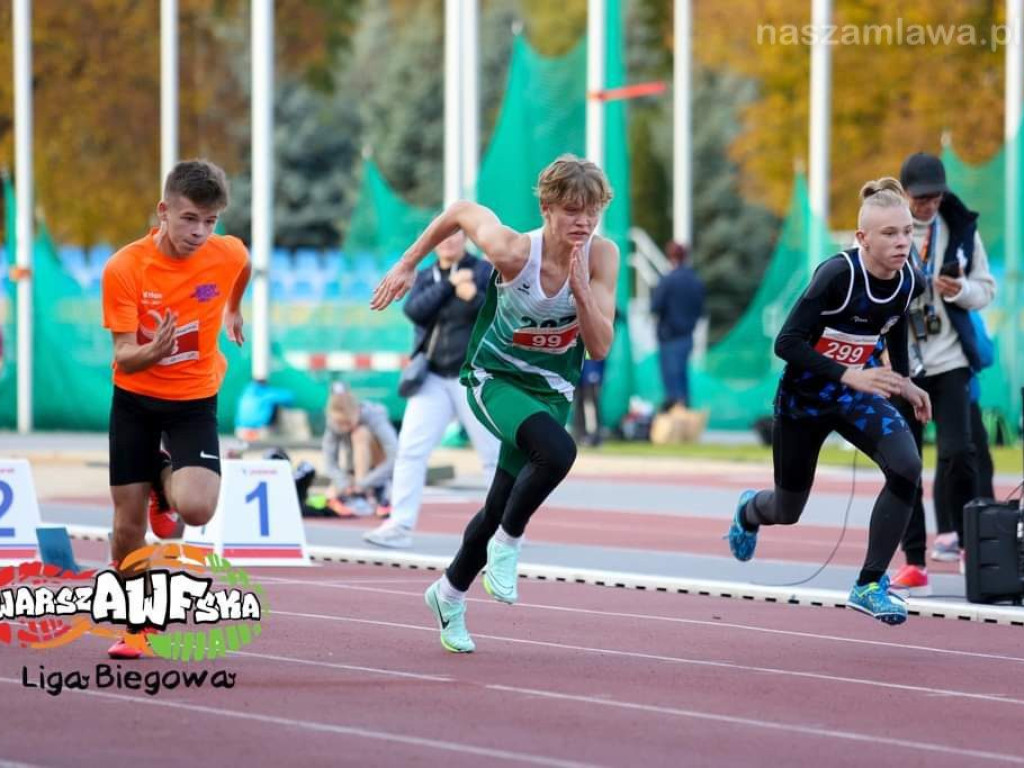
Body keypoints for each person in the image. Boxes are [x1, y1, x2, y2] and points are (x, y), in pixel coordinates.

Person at [371, 154, 619, 652]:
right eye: (573, 210)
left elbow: (600, 347)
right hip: (494, 377)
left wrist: (582, 294)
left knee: (497, 504)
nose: (584, 222)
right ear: (547, 209)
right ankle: (508, 545)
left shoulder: (601, 256)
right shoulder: (512, 251)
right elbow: (461, 210)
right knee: (558, 454)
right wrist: (406, 264)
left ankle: (448, 593)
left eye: (592, 211)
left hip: (552, 389)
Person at [726, 177, 931, 626]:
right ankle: (748, 509)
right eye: (890, 234)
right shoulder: (837, 275)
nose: (902, 243)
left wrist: (905, 381)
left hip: (856, 396)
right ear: (863, 238)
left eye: (907, 232)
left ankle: (869, 584)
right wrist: (848, 373)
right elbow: (787, 343)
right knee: (788, 509)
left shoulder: (909, 280)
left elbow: (893, 324)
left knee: (908, 466)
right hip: (804, 401)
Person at [101, 159, 251, 659]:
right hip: (136, 401)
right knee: (127, 526)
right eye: (189, 219)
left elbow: (242, 265)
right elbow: (123, 356)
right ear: (164, 211)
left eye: (210, 222)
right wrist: (153, 352)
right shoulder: (125, 267)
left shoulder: (225, 253)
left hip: (193, 401)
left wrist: (233, 307)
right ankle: (135, 626)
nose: (200, 232)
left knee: (197, 508)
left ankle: (162, 477)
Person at [889, 153, 996, 596]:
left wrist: (962, 290)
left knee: (960, 452)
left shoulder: (961, 230)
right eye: (920, 199)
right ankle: (914, 562)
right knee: (904, 463)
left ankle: (969, 544)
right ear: (904, 196)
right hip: (904, 365)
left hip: (950, 358)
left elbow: (986, 290)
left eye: (935, 197)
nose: (928, 206)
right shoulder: (888, 229)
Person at [363, 231, 499, 549]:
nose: (449, 242)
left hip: (472, 376)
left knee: (493, 455)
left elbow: (492, 311)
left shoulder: (482, 271)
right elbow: (415, 311)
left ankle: (503, 530)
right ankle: (399, 525)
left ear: (466, 239)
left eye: (456, 236)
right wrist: (450, 286)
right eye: (443, 237)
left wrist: (472, 295)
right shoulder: (427, 276)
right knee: (410, 451)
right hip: (432, 378)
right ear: (435, 243)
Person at [321, 382, 398, 518]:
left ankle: (364, 493)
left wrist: (364, 483)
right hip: (352, 471)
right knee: (329, 497)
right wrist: (343, 482)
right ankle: (357, 491)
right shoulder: (333, 422)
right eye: (339, 423)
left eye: (348, 423)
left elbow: (395, 455)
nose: (344, 428)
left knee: (359, 433)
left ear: (357, 411)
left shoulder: (374, 416)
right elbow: (329, 461)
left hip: (377, 468)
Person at [651, 240, 704, 410]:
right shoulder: (696, 281)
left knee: (671, 380)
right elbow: (701, 310)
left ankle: (675, 416)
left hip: (669, 336)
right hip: (687, 335)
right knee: (682, 377)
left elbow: (655, 306)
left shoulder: (668, 280)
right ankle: (684, 413)